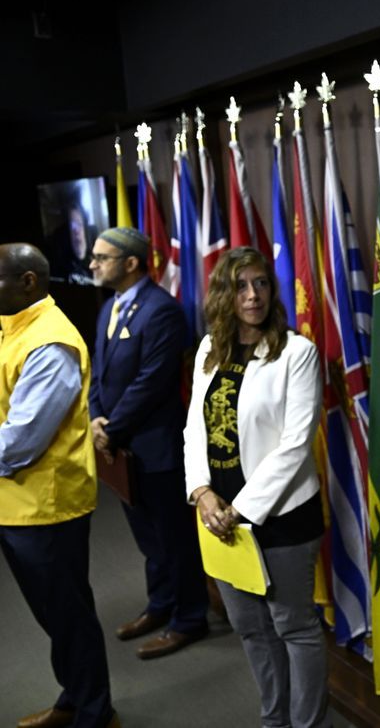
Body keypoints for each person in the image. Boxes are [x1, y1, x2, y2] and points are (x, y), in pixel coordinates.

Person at [183, 247, 331, 728]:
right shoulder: (209, 349)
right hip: (219, 515)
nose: (253, 295)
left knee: (294, 627)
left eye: (261, 284)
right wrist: (203, 494)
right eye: (241, 286)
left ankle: (309, 724)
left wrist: (239, 509)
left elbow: (295, 444)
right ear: (224, 294)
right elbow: (194, 431)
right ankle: (275, 721)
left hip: (281, 514)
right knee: (250, 629)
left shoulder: (296, 352)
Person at [0, 243, 119, 728]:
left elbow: (20, 443)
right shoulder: (14, 328)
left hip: (47, 508)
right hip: (17, 504)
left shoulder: (50, 342)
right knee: (55, 618)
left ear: (28, 282)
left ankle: (96, 714)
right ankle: (74, 700)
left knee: (68, 617)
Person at [88, 227, 209, 659]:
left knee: (174, 539)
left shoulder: (162, 311)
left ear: (131, 263)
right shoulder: (109, 309)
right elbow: (98, 374)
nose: (93, 264)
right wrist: (94, 418)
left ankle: (190, 618)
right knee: (147, 539)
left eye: (102, 257)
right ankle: (161, 605)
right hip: (121, 450)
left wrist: (111, 428)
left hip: (156, 449)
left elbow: (152, 383)